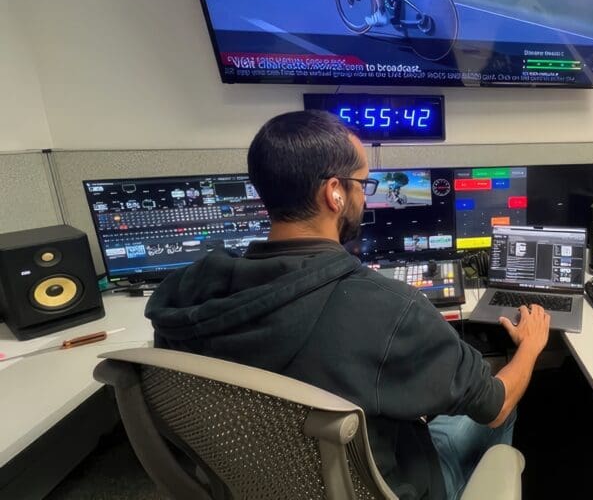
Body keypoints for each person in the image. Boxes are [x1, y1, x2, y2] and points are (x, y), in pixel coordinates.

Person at [146, 110, 551, 500]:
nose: (365, 193)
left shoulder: (182, 293)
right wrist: (529, 346)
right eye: (363, 184)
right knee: (504, 402)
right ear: (334, 193)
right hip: (392, 486)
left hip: (249, 484)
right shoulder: (390, 309)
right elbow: (493, 406)